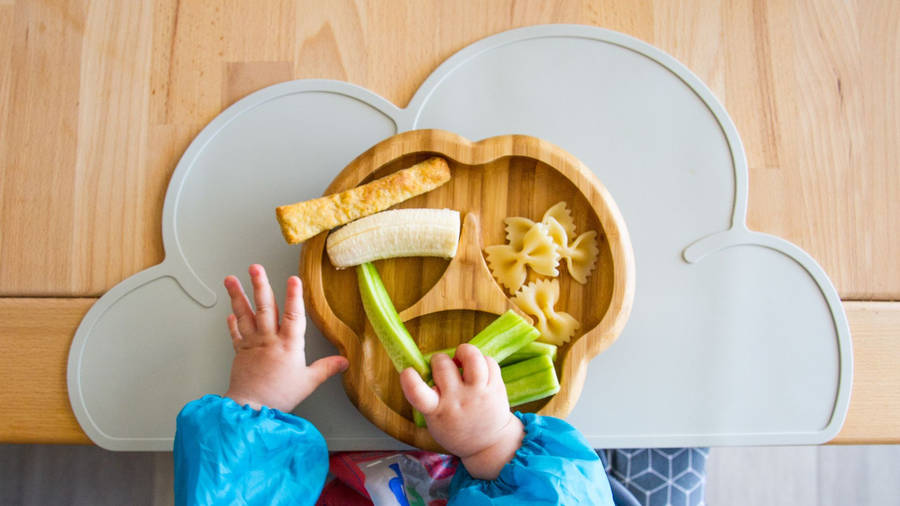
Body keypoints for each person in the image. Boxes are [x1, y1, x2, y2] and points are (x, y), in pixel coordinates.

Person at [174, 265, 701, 505]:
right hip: (496, 464)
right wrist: (493, 441)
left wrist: (256, 401)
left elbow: (227, 492)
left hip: (306, 461)